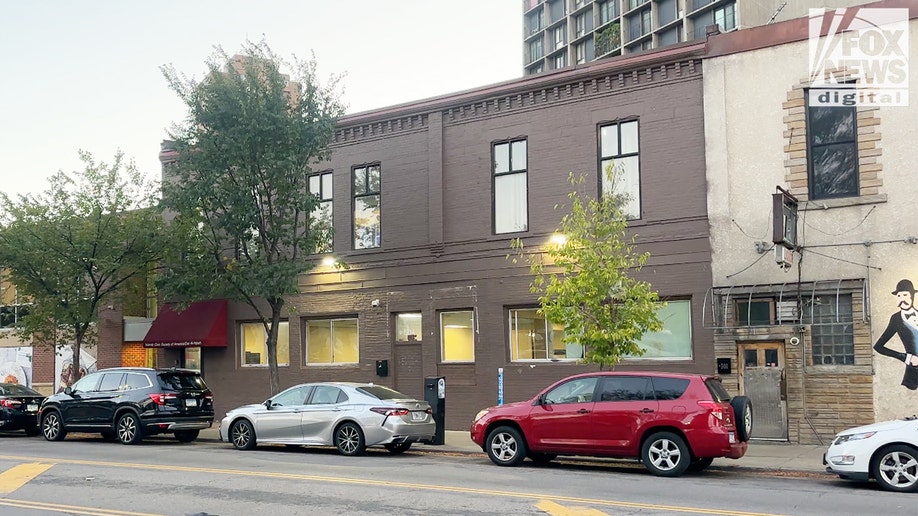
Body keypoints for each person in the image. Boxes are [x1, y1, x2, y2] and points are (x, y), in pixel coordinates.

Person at [873, 279, 918, 390]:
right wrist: (907, 358)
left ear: (912, 296)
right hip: (913, 375)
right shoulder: (896, 319)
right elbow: (878, 347)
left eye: (905, 295)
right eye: (899, 296)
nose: (902, 299)